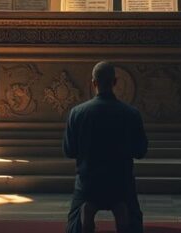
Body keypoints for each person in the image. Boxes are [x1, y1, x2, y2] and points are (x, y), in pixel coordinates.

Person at [64, 61, 148, 233]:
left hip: (88, 184)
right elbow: (140, 152)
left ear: (93, 82)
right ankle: (122, 214)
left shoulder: (77, 113)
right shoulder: (131, 114)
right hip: (121, 183)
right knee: (134, 219)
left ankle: (86, 214)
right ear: (115, 82)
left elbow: (69, 151)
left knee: (73, 222)